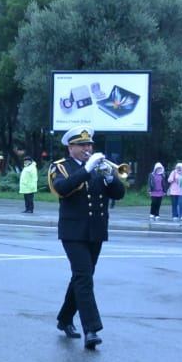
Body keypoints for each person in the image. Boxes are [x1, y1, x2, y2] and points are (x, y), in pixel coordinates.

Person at [50, 127, 126, 349]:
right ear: (70, 147)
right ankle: (91, 329)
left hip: (96, 230)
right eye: (82, 145)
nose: (87, 149)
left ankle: (65, 318)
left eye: (89, 145)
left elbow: (119, 194)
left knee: (82, 277)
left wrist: (110, 176)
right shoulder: (60, 167)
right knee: (84, 277)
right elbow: (61, 189)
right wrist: (86, 169)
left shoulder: (99, 167)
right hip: (73, 232)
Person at [167, 162, 182, 227]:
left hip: (181, 191)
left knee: (181, 203)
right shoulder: (173, 172)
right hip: (173, 191)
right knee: (174, 204)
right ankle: (175, 215)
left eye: (180, 167)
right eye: (178, 167)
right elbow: (169, 180)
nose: (179, 169)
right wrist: (172, 179)